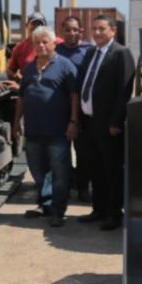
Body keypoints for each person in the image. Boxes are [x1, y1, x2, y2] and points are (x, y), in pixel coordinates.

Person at [12, 25, 80, 227]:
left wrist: (74, 121)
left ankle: (58, 211)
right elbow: (22, 96)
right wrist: (16, 121)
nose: (40, 46)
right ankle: (46, 204)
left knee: (59, 173)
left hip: (57, 131)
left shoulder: (66, 66)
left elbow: (74, 96)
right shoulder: (30, 68)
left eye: (44, 42)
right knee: (37, 170)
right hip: (33, 131)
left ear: (53, 44)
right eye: (37, 42)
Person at [75, 14, 135, 231]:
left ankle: (113, 214)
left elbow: (124, 90)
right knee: (95, 170)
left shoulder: (121, 54)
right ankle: (98, 210)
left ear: (113, 31)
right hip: (89, 123)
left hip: (108, 125)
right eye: (94, 29)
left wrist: (116, 121)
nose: (97, 33)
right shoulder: (91, 52)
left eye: (101, 29)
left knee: (112, 172)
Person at [55, 16, 93, 203]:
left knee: (83, 151)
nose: (72, 33)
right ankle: (69, 184)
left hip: (84, 111)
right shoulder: (56, 51)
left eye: (75, 30)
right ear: (61, 32)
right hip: (61, 109)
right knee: (62, 152)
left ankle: (83, 186)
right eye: (68, 30)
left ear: (81, 31)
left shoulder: (89, 52)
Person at [8, 11, 62, 81]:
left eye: (39, 24)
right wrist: (18, 77)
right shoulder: (19, 47)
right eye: (33, 24)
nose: (36, 27)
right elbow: (10, 70)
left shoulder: (56, 42)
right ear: (27, 25)